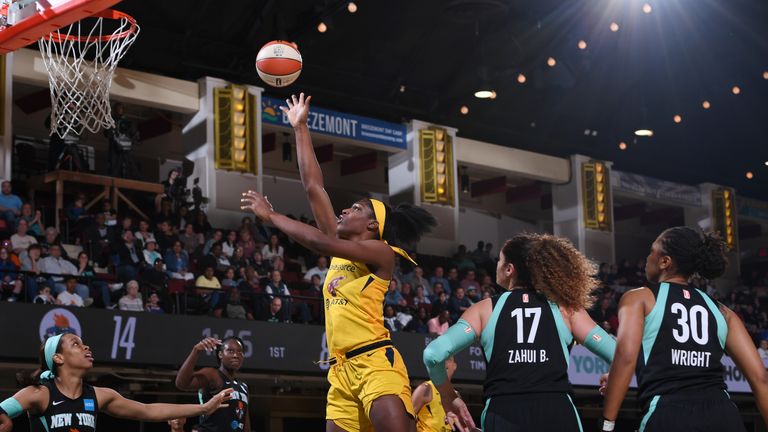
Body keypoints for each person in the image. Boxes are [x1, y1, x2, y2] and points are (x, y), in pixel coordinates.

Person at [241, 93, 436, 432]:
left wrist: (271, 216)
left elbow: (316, 240)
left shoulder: (381, 252)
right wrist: (301, 128)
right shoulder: (340, 246)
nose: (345, 211)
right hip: (340, 370)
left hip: (376, 362)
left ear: (373, 225)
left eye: (355, 209)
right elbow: (312, 184)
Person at [423, 233, 616, 431]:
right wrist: (613, 376)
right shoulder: (566, 309)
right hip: (558, 411)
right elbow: (620, 353)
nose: (496, 265)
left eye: (500, 260)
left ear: (509, 269)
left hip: (503, 412)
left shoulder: (483, 310)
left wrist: (448, 396)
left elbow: (433, 354)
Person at [601, 227, 768, 432]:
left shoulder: (639, 298)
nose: (647, 257)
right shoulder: (723, 312)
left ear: (665, 262)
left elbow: (626, 356)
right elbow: (761, 378)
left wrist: (607, 424)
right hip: (724, 415)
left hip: (669, 413)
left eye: (652, 251)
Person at [0, 333, 231, 431]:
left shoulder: (99, 395)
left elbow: (149, 410)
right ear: (58, 358)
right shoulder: (39, 393)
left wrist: (203, 407)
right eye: (76, 344)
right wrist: (6, 421)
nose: (86, 347)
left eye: (84, 343)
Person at [175, 337, 250, 432]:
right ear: (220, 354)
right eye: (230, 351)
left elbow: (245, 423)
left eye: (240, 352)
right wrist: (196, 351)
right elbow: (181, 384)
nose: (236, 355)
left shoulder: (243, 387)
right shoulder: (213, 375)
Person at [412, 357, 458, 432]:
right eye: (441, 359)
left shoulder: (456, 396)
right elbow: (407, 420)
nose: (444, 362)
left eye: (448, 359)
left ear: (454, 366)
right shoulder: (425, 389)